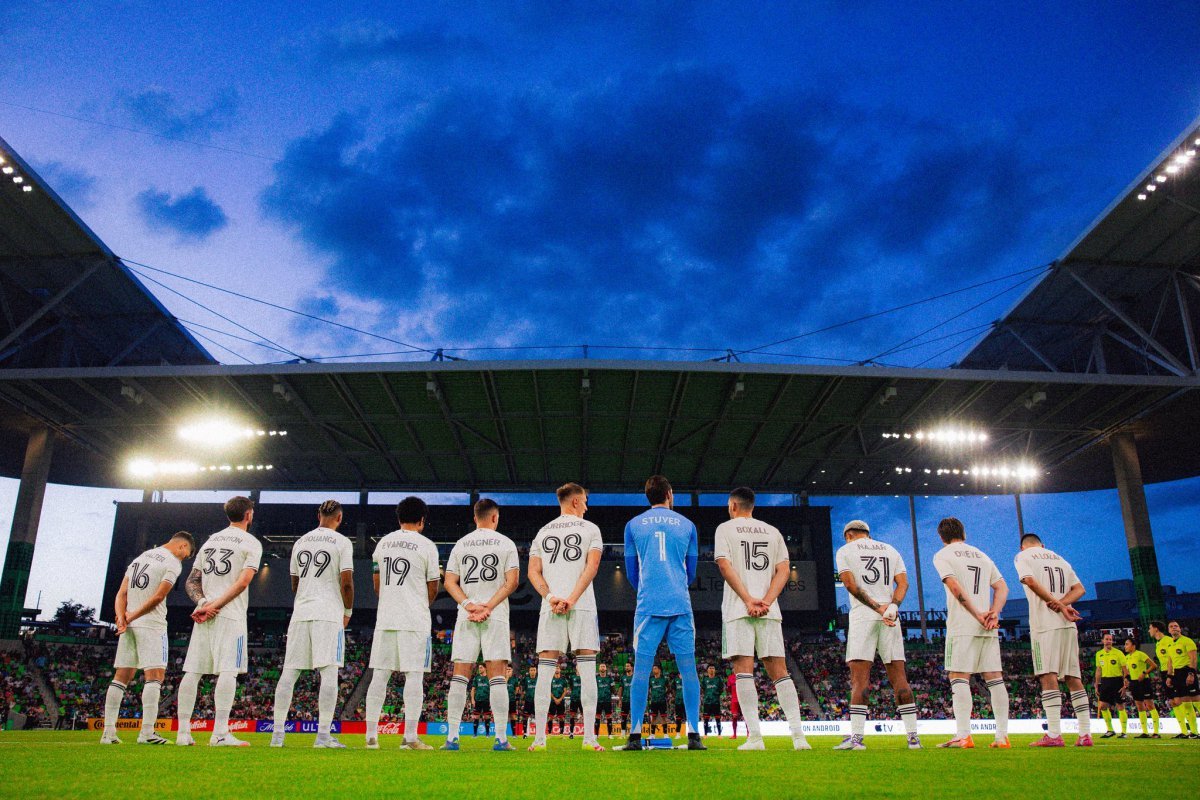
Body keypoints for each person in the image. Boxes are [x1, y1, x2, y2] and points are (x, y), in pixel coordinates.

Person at [714, 487, 811, 751]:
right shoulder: (772, 531)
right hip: (769, 611)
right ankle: (798, 737)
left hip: (738, 610)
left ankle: (755, 738)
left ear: (733, 506)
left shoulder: (725, 529)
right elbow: (784, 570)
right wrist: (766, 600)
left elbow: (724, 565)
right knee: (780, 672)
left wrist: (748, 600)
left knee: (743, 671)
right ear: (752, 506)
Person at [621, 475, 705, 751]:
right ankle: (694, 736)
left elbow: (631, 572)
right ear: (669, 493)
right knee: (688, 670)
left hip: (648, 606)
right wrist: (675, 586)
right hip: (680, 604)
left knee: (641, 672)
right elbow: (691, 571)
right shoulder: (688, 525)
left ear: (648, 495)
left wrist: (649, 590)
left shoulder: (633, 525)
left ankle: (634, 737)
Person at [177, 496, 262, 747]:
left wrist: (204, 603)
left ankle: (183, 733)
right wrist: (215, 605)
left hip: (204, 614)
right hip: (230, 613)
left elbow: (192, 581)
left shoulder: (210, 541)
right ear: (248, 515)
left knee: (192, 672)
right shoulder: (251, 542)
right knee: (229, 671)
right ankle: (220, 733)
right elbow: (243, 582)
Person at [270, 501, 355, 749]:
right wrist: (347, 610)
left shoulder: (300, 542)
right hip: (328, 612)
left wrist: (306, 599)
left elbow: (294, 583)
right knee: (329, 672)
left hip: (301, 612)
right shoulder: (342, 542)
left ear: (318, 515)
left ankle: (277, 736)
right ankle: (323, 736)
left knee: (289, 673)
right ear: (339, 518)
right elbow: (346, 583)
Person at [526, 483, 604, 752]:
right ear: (575, 501)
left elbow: (533, 572)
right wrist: (572, 598)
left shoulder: (543, 531)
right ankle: (589, 738)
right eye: (585, 502)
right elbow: (592, 566)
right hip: (581, 606)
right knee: (588, 671)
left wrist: (551, 598)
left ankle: (539, 739)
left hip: (551, 607)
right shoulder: (591, 529)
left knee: (545, 671)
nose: (587, 507)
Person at [833, 519, 920, 750]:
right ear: (868, 534)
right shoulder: (891, 550)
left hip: (864, 615)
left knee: (859, 680)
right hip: (890, 616)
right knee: (899, 678)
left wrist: (876, 608)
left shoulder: (845, 551)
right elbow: (903, 584)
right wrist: (892, 607)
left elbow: (850, 585)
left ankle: (857, 739)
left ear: (849, 535)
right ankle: (913, 738)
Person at [102, 531, 195, 744]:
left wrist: (121, 617)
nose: (184, 558)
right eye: (186, 554)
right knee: (155, 676)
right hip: (152, 624)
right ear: (182, 546)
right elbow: (159, 596)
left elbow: (121, 593)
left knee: (121, 676)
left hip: (129, 623)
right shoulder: (172, 563)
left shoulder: (140, 558)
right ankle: (147, 733)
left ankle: (108, 733)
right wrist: (133, 615)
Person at [363, 497, 441, 750]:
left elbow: (377, 585)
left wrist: (392, 601)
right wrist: (419, 604)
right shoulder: (427, 546)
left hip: (386, 617)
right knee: (414, 676)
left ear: (399, 518)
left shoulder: (383, 544)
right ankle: (409, 737)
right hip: (414, 619)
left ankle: (371, 737)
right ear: (422, 520)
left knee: (379, 676)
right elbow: (433, 587)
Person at [441, 498, 519, 751]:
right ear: (495, 517)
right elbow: (511, 582)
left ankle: (452, 738)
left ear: (475, 518)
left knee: (460, 675)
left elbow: (449, 582)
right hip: (495, 615)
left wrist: (468, 605)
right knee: (497, 676)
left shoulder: (461, 544)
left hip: (467, 615)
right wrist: (488, 606)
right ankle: (501, 739)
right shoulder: (506, 543)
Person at [930, 517, 1009, 749]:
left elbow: (954, 586)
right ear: (963, 533)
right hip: (988, 625)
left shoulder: (943, 555)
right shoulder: (982, 555)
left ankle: (963, 735)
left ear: (941, 537)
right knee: (995, 678)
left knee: (958, 677)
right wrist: (994, 613)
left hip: (963, 624)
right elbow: (1002, 587)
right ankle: (1002, 737)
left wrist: (976, 614)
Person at [1014, 532, 1092, 747]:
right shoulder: (1060, 559)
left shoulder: (1023, 557)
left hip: (1044, 625)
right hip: (1068, 624)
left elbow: (1029, 580)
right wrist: (1063, 604)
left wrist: (1055, 603)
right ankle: (1085, 734)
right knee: (1073, 677)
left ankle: (1055, 734)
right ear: (1043, 545)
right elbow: (1080, 589)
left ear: (1022, 547)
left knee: (1048, 675)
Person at [1160, 620, 1198, 738]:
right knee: (1186, 704)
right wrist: (1169, 676)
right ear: (1169, 630)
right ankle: (1194, 732)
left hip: (1187, 671)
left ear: (1180, 629)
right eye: (1171, 626)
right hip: (1177, 674)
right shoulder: (1169, 644)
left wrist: (1191, 674)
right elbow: (1170, 662)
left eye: (1176, 626)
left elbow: (1193, 658)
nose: (1174, 628)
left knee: (1197, 701)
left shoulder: (1187, 641)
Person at [1093, 633, 1129, 739]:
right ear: (1103, 641)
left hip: (1117, 681)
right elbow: (1098, 670)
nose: (1109, 641)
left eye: (1110, 639)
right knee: (1103, 706)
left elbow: (1125, 669)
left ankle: (1124, 732)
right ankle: (1110, 730)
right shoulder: (1099, 654)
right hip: (1105, 681)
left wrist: (1125, 684)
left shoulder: (1118, 653)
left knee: (1120, 705)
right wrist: (1097, 684)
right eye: (1107, 639)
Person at [1122, 637, 1159, 738]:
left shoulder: (1140, 654)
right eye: (1125, 644)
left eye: (1127, 644)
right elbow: (1127, 671)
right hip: (1134, 683)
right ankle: (1145, 732)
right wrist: (1126, 679)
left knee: (1150, 705)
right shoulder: (1126, 657)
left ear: (1133, 645)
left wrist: (1144, 673)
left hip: (1144, 682)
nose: (1125, 646)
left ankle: (1156, 732)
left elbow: (1153, 665)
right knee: (1139, 706)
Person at [700, 665, 724, 736]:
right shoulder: (704, 679)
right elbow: (703, 689)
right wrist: (707, 695)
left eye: (713, 668)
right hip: (707, 702)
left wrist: (716, 695)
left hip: (716, 702)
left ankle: (719, 734)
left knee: (718, 718)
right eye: (710, 668)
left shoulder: (718, 679)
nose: (711, 669)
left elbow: (721, 689)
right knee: (706, 719)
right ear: (707, 670)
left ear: (715, 670)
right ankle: (705, 734)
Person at [647, 664, 669, 736]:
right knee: (653, 718)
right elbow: (648, 689)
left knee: (663, 717)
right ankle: (652, 735)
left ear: (659, 670)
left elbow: (668, 688)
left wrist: (664, 694)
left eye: (655, 668)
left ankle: (665, 735)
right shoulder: (651, 680)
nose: (653, 670)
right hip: (654, 701)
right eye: (653, 669)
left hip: (662, 701)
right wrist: (651, 695)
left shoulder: (664, 679)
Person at [596, 663, 615, 739]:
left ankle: (610, 735)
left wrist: (615, 693)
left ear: (606, 668)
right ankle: (596, 735)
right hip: (598, 701)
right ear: (599, 668)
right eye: (601, 666)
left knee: (609, 717)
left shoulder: (610, 679)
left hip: (607, 701)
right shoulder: (596, 678)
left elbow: (613, 689)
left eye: (604, 666)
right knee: (597, 717)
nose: (602, 668)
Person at [520, 665, 538, 738]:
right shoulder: (526, 679)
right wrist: (522, 699)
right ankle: (525, 733)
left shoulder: (539, 679)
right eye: (531, 670)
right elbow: (522, 690)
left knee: (538, 717)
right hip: (528, 701)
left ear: (536, 671)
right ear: (529, 671)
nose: (532, 672)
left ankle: (538, 734)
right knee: (525, 717)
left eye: (534, 670)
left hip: (537, 701)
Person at [617, 661, 634, 737]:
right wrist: (620, 700)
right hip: (625, 700)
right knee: (623, 716)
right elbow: (620, 689)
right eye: (626, 666)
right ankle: (623, 733)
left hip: (634, 701)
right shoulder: (623, 677)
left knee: (634, 717)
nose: (626, 667)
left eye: (628, 666)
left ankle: (634, 733)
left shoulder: (635, 677)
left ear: (632, 667)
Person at [550, 665, 568, 735]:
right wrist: (554, 699)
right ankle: (549, 733)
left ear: (560, 670)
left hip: (561, 701)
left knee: (561, 717)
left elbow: (565, 691)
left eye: (558, 668)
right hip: (552, 701)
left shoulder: (563, 680)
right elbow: (549, 690)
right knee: (550, 717)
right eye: (555, 668)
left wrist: (560, 699)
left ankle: (561, 734)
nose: (556, 669)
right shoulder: (550, 679)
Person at [726, 669, 742, 739]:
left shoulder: (742, 676)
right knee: (734, 717)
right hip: (734, 700)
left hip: (742, 699)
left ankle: (748, 734)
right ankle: (734, 734)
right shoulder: (730, 677)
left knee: (746, 717)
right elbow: (729, 689)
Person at [568, 668, 583, 738]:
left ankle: (587, 734)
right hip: (574, 699)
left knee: (585, 715)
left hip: (583, 699)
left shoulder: (584, 677)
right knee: (572, 716)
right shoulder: (572, 677)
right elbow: (571, 687)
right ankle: (571, 733)